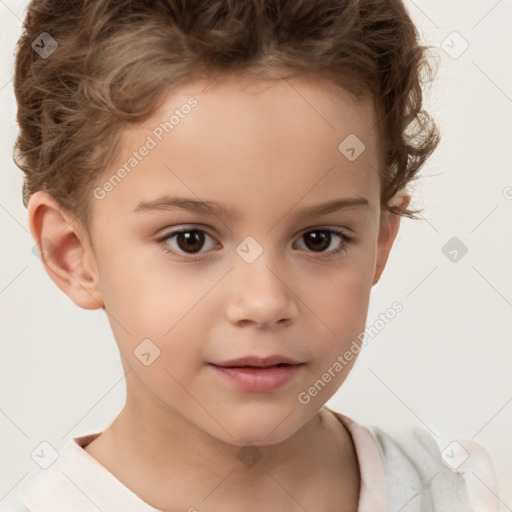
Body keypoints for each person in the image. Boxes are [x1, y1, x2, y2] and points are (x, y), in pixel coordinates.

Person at [11, 0, 499, 510]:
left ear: (380, 242)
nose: (264, 303)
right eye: (190, 240)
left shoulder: (457, 491)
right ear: (72, 254)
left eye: (319, 239)